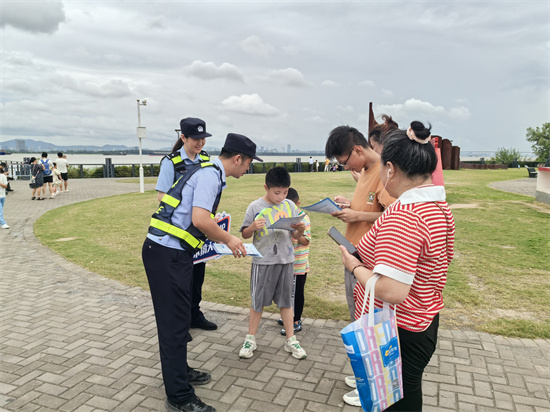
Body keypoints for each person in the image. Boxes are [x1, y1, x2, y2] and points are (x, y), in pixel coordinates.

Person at [340, 121, 455, 411]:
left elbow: (392, 290)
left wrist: (354, 266)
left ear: (390, 169)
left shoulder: (405, 215)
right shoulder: (437, 207)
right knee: (407, 390)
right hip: (423, 318)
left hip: (398, 327)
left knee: (395, 399)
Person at [142, 131, 261, 412]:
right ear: (237, 158)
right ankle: (179, 396)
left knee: (181, 320)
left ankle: (179, 373)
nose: (248, 168)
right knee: (173, 326)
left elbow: (195, 217)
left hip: (173, 254)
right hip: (166, 254)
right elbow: (199, 219)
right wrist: (230, 239)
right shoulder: (209, 174)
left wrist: (213, 225)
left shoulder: (208, 171)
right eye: (248, 163)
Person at [155, 118, 219, 339]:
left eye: (203, 139)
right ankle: (181, 323)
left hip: (198, 229)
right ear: (183, 138)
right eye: (195, 139)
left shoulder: (205, 160)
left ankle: (194, 314)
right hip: (178, 232)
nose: (200, 143)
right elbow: (162, 196)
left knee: (198, 272)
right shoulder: (170, 163)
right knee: (180, 280)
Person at [238, 167, 307, 360]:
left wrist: (300, 230)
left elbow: (296, 236)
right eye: (277, 192)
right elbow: (244, 234)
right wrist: (252, 227)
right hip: (263, 261)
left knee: (287, 302)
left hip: (286, 260)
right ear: (266, 188)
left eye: (285, 192)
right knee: (257, 301)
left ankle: (291, 340)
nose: (281, 196)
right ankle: (250, 339)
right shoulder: (255, 207)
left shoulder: (290, 206)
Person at [277, 187, 310, 336]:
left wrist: (297, 232)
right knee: (285, 292)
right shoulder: (282, 216)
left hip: (298, 265)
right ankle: (287, 316)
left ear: (298, 204)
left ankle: (296, 321)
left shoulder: (303, 218)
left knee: (296, 294)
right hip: (285, 262)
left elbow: (305, 241)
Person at [0, 164, 9, 229]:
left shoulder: (3, 176)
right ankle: (3, 223)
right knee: (0, 210)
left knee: (1, 209)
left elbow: (5, 186)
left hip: (2, 195)